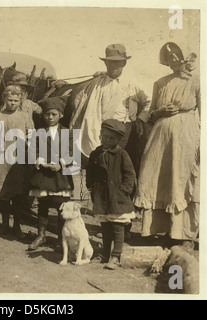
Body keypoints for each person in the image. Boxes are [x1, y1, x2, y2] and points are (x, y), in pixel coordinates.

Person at [134, 42, 200, 249]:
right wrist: (159, 113)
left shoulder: (196, 80)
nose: (172, 58)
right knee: (155, 177)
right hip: (160, 136)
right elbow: (151, 112)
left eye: (175, 54)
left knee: (179, 178)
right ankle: (156, 229)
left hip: (185, 134)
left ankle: (180, 232)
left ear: (183, 56)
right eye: (168, 55)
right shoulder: (160, 82)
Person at [70, 44, 150, 174]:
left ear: (124, 63)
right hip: (102, 129)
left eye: (117, 63)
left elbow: (149, 101)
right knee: (102, 164)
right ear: (106, 63)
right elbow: (80, 100)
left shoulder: (133, 83)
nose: (113, 66)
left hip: (125, 131)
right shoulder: (97, 83)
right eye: (110, 63)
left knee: (120, 165)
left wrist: (141, 119)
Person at [86, 119, 136, 270]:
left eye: (112, 138)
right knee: (105, 225)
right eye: (105, 136)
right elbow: (90, 172)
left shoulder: (121, 154)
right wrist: (91, 186)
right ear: (101, 134)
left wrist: (124, 190)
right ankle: (105, 253)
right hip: (101, 196)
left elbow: (130, 174)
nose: (107, 140)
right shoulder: (96, 153)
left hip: (117, 197)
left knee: (118, 226)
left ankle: (116, 255)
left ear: (119, 139)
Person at [28, 95, 74, 251]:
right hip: (44, 176)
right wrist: (41, 162)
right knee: (43, 205)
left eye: (54, 114)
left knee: (61, 207)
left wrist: (61, 164)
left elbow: (72, 153)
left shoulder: (67, 133)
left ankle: (61, 238)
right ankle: (41, 235)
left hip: (61, 176)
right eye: (47, 114)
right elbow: (32, 151)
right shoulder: (39, 132)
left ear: (60, 115)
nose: (50, 117)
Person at [0, 85, 33, 239]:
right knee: (3, 194)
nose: (13, 103)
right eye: (10, 100)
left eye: (16, 100)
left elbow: (32, 136)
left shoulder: (24, 117)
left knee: (18, 195)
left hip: (20, 161)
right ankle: (4, 225)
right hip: (3, 161)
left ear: (20, 100)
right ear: (4, 99)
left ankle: (16, 226)